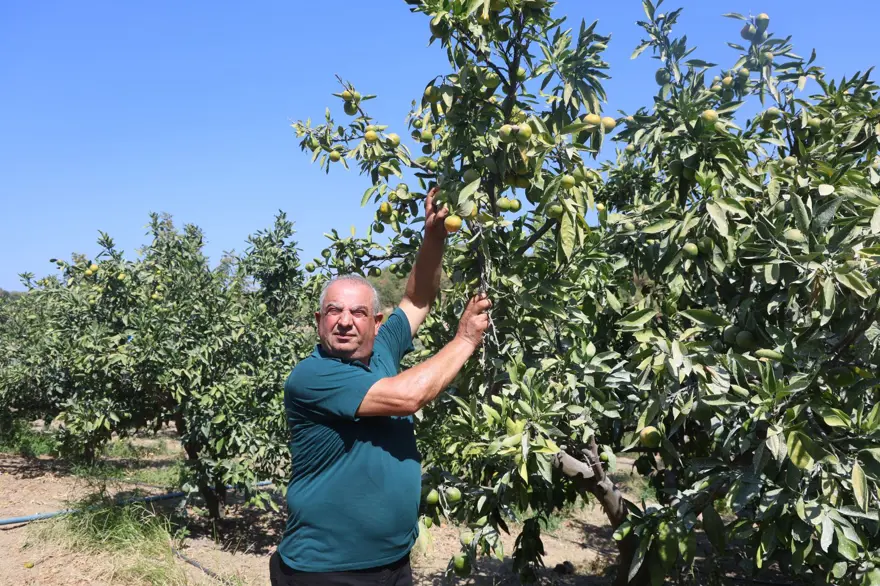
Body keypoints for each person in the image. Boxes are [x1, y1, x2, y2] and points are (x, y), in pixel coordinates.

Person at [270, 188, 492, 586]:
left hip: (392, 563)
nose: (345, 321)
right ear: (319, 320)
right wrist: (465, 340)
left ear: (377, 321)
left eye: (358, 312)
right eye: (334, 311)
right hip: (328, 569)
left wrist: (435, 236)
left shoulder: (383, 350)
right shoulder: (313, 376)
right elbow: (409, 397)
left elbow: (418, 298)